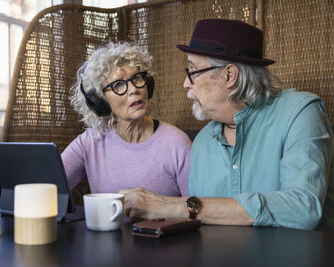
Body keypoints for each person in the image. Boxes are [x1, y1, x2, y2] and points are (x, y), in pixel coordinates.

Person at [120, 19, 334, 230]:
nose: (185, 84)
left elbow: (302, 209)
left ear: (229, 75)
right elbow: (200, 227)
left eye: (192, 72)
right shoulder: (203, 142)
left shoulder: (300, 113)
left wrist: (173, 205)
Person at [61, 42, 191, 197]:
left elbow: (195, 208)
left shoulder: (176, 142)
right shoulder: (89, 143)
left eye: (136, 79)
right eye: (118, 85)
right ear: (100, 101)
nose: (134, 90)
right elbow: (48, 187)